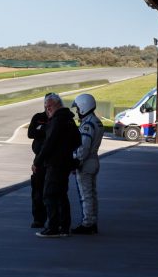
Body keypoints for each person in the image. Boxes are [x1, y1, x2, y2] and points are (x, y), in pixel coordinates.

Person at [32, 93, 81, 238]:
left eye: (49, 107)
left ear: (56, 105)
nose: (47, 110)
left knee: (49, 195)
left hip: (55, 164)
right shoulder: (69, 120)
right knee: (61, 195)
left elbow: (49, 144)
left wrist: (37, 162)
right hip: (64, 163)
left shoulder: (57, 120)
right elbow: (77, 140)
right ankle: (64, 227)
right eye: (46, 108)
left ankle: (52, 228)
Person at [71, 94, 104, 235]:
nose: (77, 111)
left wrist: (76, 161)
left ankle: (87, 224)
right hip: (94, 160)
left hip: (86, 162)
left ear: (84, 107)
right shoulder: (96, 122)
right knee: (91, 193)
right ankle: (92, 221)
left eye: (78, 109)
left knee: (86, 195)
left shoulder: (87, 125)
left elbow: (83, 147)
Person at [27, 96, 50, 228]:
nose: (48, 106)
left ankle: (54, 219)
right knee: (37, 191)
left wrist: (41, 131)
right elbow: (30, 133)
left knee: (53, 190)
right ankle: (38, 219)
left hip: (53, 160)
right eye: (46, 104)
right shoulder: (38, 117)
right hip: (39, 159)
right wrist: (45, 131)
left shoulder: (58, 118)